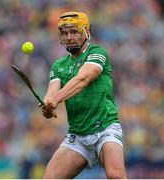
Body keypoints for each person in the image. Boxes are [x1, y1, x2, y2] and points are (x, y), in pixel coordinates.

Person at [41, 11, 127, 179]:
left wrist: (56, 98)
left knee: (115, 175)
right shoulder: (59, 65)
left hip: (105, 127)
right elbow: (51, 93)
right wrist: (48, 105)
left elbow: (83, 78)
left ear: (86, 32)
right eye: (65, 33)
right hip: (78, 136)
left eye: (74, 31)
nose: (68, 37)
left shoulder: (98, 52)